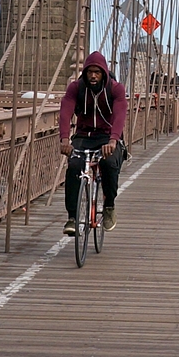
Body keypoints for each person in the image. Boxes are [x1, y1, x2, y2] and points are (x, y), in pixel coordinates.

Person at [59, 51, 127, 235]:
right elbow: (65, 111)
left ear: (104, 72)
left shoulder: (115, 89)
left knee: (109, 163)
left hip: (107, 137)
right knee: (74, 165)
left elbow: (120, 115)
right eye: (90, 72)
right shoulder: (76, 88)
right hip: (83, 136)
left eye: (97, 72)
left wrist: (114, 140)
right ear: (85, 73)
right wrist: (64, 138)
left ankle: (109, 206)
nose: (93, 75)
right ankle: (72, 218)